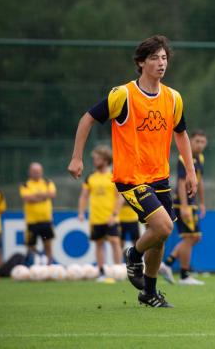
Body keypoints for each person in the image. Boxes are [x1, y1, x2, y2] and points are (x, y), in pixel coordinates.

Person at [67, 35, 197, 308]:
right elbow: (87, 118)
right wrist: (77, 158)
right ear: (141, 63)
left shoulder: (173, 98)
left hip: (159, 176)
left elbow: (182, 135)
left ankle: (149, 293)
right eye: (154, 58)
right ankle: (132, 254)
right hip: (131, 177)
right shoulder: (123, 95)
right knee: (163, 226)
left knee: (160, 237)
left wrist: (191, 172)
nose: (161, 63)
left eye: (164, 58)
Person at [160, 129, 208, 285]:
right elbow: (181, 183)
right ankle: (184, 275)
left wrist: (202, 202)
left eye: (202, 142)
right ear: (190, 142)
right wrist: (185, 207)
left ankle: (167, 264)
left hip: (192, 203)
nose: (200, 145)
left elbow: (199, 181)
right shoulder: (183, 158)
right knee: (190, 237)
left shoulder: (200, 158)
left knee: (195, 237)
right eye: (197, 141)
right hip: (182, 203)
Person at [78, 145, 123, 281]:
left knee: (115, 242)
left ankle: (118, 270)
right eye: (94, 158)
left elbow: (120, 197)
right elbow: (84, 196)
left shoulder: (114, 176)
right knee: (98, 243)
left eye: (97, 158)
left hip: (111, 217)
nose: (94, 161)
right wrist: (81, 212)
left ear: (105, 160)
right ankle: (101, 271)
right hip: (96, 218)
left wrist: (114, 214)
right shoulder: (90, 177)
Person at [20, 162, 56, 265]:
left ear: (42, 172)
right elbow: (27, 198)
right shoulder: (25, 185)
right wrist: (44, 196)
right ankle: (34, 263)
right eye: (34, 171)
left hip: (46, 220)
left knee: (48, 244)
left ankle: (49, 265)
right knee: (31, 245)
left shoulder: (47, 182)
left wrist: (36, 196)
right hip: (32, 222)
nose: (36, 173)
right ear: (30, 172)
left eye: (38, 171)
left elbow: (52, 194)